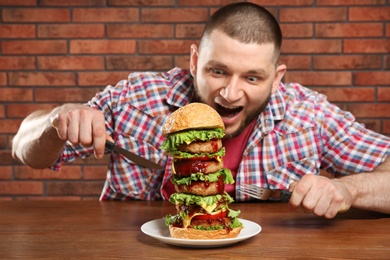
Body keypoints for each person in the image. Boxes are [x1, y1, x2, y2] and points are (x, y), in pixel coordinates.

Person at [12, 2, 390, 218]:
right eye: (217, 70)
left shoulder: (309, 115)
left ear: (278, 79)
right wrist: (55, 122)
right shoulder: (136, 98)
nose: (229, 92)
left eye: (253, 78)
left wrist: (347, 189)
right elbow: (23, 150)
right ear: (194, 60)